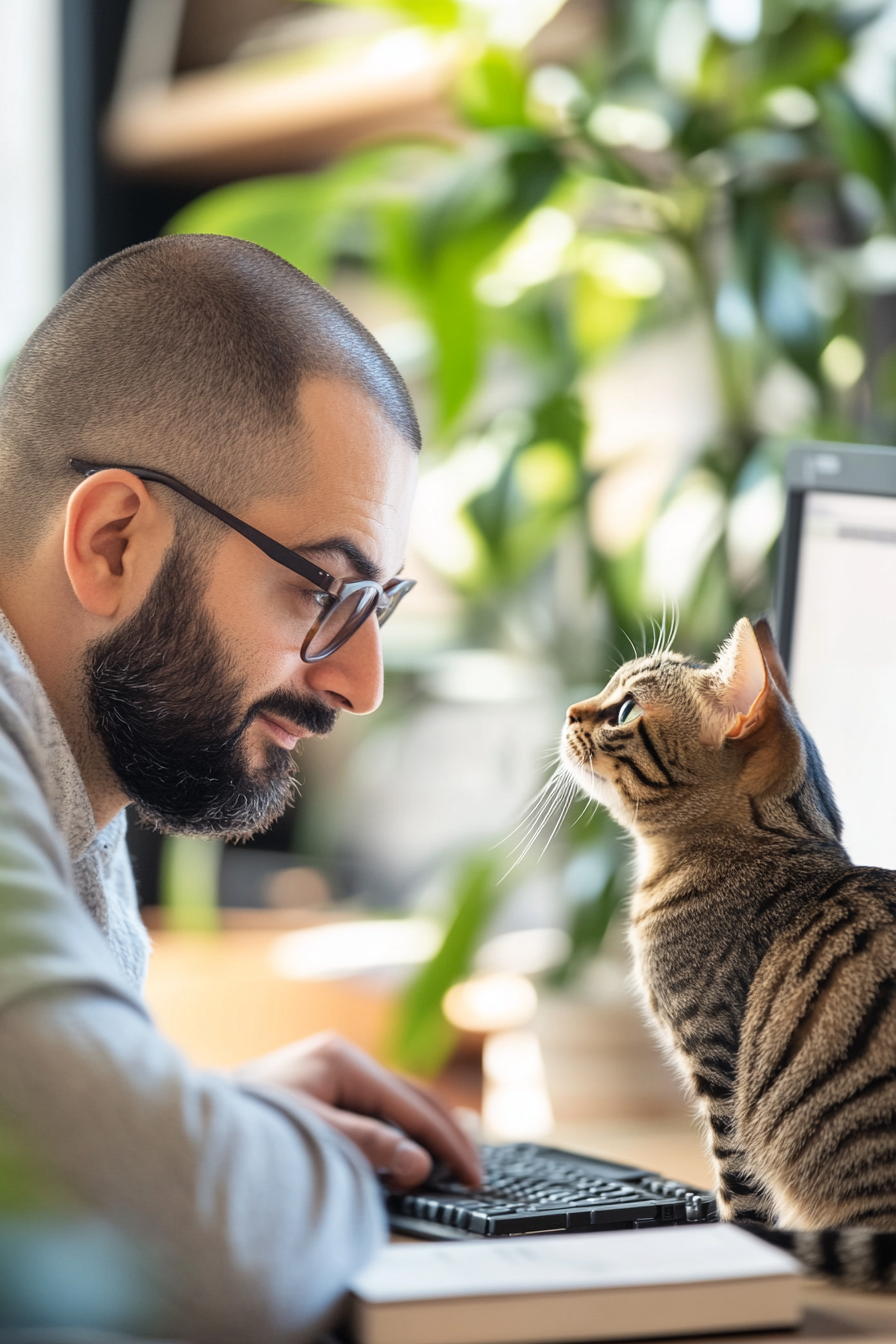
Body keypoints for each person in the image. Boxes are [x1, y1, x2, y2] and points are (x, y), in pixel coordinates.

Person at [0, 234, 480, 1342]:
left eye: (376, 610)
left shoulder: (70, 770)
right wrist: (270, 1162)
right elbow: (182, 1237)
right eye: (322, 591)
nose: (358, 683)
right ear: (114, 541)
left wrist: (207, 1122)